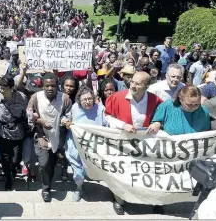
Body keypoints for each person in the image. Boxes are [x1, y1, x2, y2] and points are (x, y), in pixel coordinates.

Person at [104, 71, 162, 215]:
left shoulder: (156, 100)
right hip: (123, 143)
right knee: (122, 172)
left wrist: (158, 123)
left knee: (147, 172)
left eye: (138, 84)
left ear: (147, 86)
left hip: (145, 144)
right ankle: (119, 199)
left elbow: (163, 116)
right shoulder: (117, 97)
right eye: (132, 82)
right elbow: (106, 117)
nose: (133, 86)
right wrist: (123, 125)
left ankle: (154, 200)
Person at [27, 73, 72, 202]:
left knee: (51, 164)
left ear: (57, 85)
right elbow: (29, 114)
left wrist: (65, 121)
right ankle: (46, 188)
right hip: (42, 136)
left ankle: (48, 178)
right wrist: (40, 121)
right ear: (43, 86)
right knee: (43, 163)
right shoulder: (35, 97)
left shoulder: (65, 98)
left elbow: (68, 114)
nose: (50, 88)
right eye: (47, 86)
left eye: (53, 85)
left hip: (58, 136)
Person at [62, 86, 107, 201]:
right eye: (84, 100)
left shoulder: (100, 108)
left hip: (93, 147)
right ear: (79, 101)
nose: (87, 102)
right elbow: (65, 118)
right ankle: (79, 188)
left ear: (93, 98)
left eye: (89, 99)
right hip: (75, 146)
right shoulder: (75, 108)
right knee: (78, 174)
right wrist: (66, 122)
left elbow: (107, 125)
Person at [0, 75, 28, 191]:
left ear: (12, 88)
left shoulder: (22, 97)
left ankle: (14, 167)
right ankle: (8, 179)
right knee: (5, 159)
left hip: (18, 133)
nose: (2, 90)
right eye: (0, 87)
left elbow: (27, 111)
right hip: (2, 134)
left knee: (16, 159)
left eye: (5, 88)